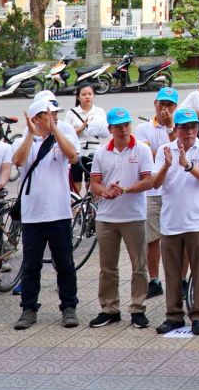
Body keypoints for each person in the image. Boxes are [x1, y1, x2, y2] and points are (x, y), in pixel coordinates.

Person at [11, 94, 80, 330]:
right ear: (37, 117)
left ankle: (69, 307)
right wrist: (31, 133)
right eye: (50, 115)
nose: (55, 118)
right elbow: (18, 162)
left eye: (57, 115)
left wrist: (55, 131)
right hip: (33, 215)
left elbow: (72, 156)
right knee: (31, 265)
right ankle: (28, 309)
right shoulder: (23, 140)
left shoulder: (63, 137)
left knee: (65, 264)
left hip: (59, 213)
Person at [148, 107, 199, 335]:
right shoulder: (165, 150)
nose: (189, 132)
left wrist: (188, 165)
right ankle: (174, 315)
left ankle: (198, 314)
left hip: (196, 219)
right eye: (184, 128)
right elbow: (155, 184)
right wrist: (168, 165)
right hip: (171, 220)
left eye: (193, 127)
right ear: (175, 129)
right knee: (172, 271)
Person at [88, 107, 156, 329]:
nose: (123, 130)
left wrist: (125, 190)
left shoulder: (142, 150)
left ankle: (138, 308)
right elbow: (94, 184)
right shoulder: (101, 153)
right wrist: (104, 191)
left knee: (139, 265)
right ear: (110, 129)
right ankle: (109, 308)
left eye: (126, 125)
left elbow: (149, 181)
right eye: (118, 126)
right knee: (108, 267)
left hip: (134, 216)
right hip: (106, 217)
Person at [135, 87, 179, 299]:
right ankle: (154, 279)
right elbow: (147, 155)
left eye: (170, 105)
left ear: (176, 107)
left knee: (179, 236)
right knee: (152, 238)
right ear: (155, 104)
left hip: (176, 191)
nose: (165, 109)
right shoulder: (144, 128)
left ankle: (181, 278)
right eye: (162, 104)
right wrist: (166, 152)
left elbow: (182, 152)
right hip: (153, 191)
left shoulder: (180, 126)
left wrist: (172, 127)